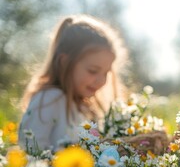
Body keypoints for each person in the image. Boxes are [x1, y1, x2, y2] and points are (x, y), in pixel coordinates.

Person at [19, 15, 127, 152]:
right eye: (93, 71)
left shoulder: (86, 108)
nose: (101, 81)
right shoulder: (49, 99)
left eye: (106, 73)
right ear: (65, 62)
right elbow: (29, 154)